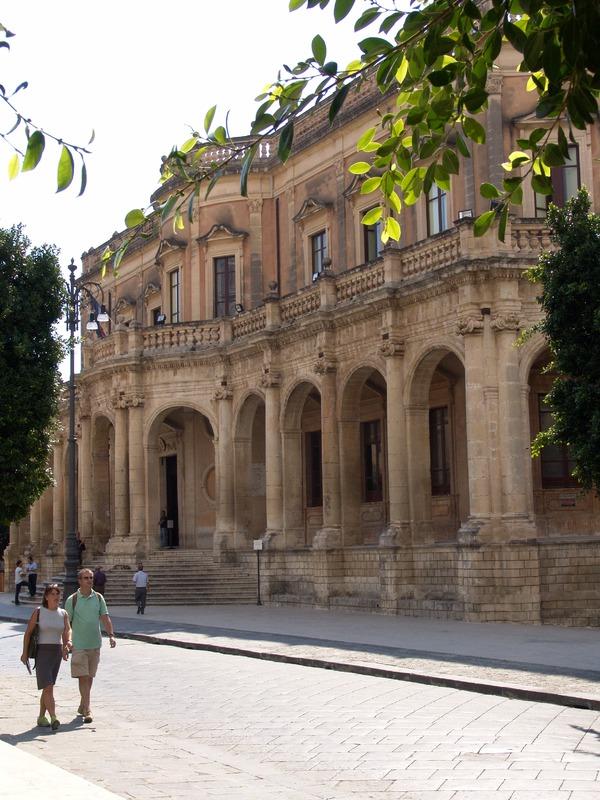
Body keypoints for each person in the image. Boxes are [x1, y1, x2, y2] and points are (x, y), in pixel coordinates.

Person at [64, 568, 116, 724]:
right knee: (83, 677)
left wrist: (111, 635)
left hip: (95, 643)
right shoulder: (72, 599)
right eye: (86, 578)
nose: (89, 580)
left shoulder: (99, 598)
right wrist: (67, 641)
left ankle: (82, 703)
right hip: (78, 644)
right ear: (79, 581)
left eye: (91, 578)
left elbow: (105, 618)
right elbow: (67, 624)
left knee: (90, 676)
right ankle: (88, 709)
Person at [20, 584, 71, 730]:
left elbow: (67, 630)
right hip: (42, 652)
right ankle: (54, 717)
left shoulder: (63, 613)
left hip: (56, 653)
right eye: (53, 594)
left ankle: (41, 717)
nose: (56, 596)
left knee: (47, 686)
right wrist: (24, 653)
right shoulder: (39, 612)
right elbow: (28, 633)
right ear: (46, 597)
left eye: (58, 594)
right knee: (48, 686)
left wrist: (68, 643)